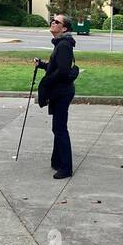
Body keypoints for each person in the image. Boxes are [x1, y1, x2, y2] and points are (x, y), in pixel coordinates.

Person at [34, 15, 77, 179]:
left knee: (60, 129)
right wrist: (42, 65)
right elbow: (57, 67)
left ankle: (66, 168)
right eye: (52, 20)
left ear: (64, 28)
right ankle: (58, 161)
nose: (53, 22)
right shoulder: (60, 44)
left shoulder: (64, 45)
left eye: (57, 22)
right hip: (60, 90)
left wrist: (47, 81)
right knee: (58, 128)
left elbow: (63, 71)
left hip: (62, 91)